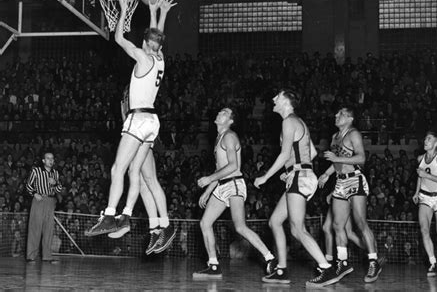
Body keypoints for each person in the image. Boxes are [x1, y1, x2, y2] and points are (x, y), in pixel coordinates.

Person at [85, 0, 176, 257]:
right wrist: (158, 12)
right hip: (153, 123)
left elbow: (118, 37)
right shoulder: (160, 59)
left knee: (118, 169)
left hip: (138, 119)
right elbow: (156, 35)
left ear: (146, 45)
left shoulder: (142, 56)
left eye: (145, 41)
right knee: (136, 173)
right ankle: (128, 217)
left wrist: (125, 10)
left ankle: (111, 214)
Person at [254, 90, 339, 288]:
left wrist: (266, 176)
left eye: (277, 96)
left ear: (286, 101)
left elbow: (284, 155)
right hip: (300, 175)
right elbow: (312, 151)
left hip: (300, 177)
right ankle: (282, 269)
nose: (273, 99)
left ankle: (326, 269)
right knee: (275, 221)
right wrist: (292, 169)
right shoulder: (298, 122)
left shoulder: (288, 121)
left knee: (297, 229)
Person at [193, 107, 276, 280]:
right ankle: (213, 265)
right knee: (205, 223)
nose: (219, 112)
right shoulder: (219, 138)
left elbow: (233, 166)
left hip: (234, 184)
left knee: (240, 226)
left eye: (224, 112)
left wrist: (208, 179)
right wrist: (208, 191)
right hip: (222, 186)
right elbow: (220, 169)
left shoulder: (230, 136)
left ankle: (270, 258)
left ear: (230, 120)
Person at [107, 85, 176, 256]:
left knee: (147, 179)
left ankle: (165, 224)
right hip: (135, 136)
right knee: (144, 183)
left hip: (141, 136)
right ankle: (154, 229)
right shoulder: (125, 100)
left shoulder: (138, 96)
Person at [322, 107, 382, 283]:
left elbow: (361, 158)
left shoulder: (353, 133)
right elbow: (337, 161)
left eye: (339, 114)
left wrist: (335, 159)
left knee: (360, 223)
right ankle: (343, 261)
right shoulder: (335, 137)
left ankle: (373, 261)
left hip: (355, 180)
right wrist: (327, 173)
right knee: (337, 225)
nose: (335, 115)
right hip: (340, 182)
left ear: (349, 118)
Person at [413, 131, 437, 276]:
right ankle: (432, 262)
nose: (425, 140)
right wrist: (417, 192)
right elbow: (420, 176)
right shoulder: (420, 158)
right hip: (425, 197)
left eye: (429, 138)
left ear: (436, 143)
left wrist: (427, 175)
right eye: (425, 138)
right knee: (424, 229)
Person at [25, 152, 62, 263]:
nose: (50, 160)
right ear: (43, 160)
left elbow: (59, 189)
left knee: (48, 229)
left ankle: (47, 256)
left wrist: (55, 184)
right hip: (39, 200)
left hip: (50, 201)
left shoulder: (55, 173)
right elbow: (28, 185)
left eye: (52, 158)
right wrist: (35, 193)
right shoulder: (36, 171)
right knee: (35, 227)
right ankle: (31, 256)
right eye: (48, 158)